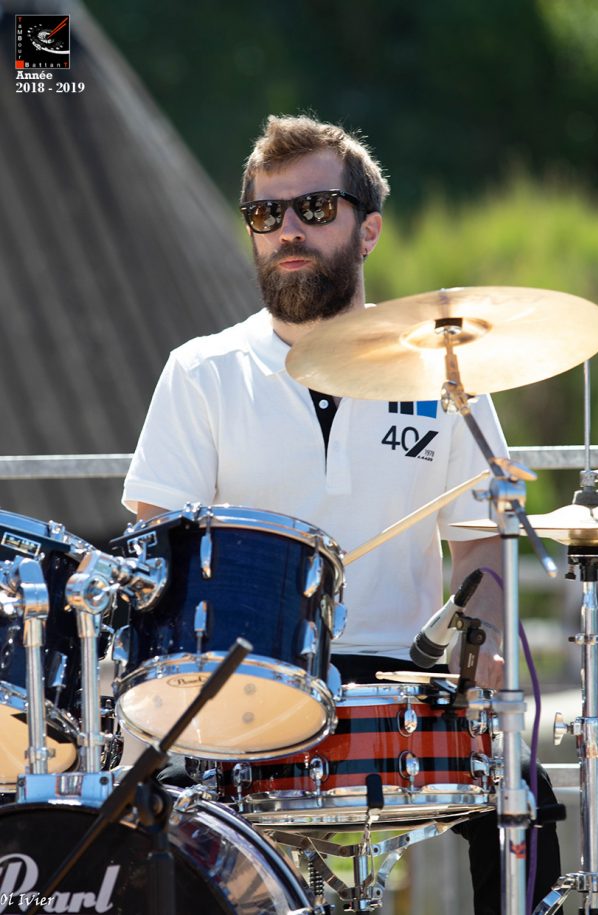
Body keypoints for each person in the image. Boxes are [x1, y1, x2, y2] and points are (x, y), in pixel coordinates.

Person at [122, 113, 560, 914]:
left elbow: (481, 549)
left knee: (523, 799)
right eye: (266, 213)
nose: (287, 229)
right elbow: (157, 562)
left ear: (370, 230)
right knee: (148, 820)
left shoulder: (444, 373)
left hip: (404, 685)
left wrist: (490, 636)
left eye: (315, 208)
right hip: (244, 693)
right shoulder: (200, 372)